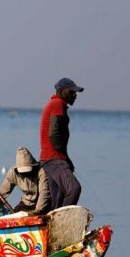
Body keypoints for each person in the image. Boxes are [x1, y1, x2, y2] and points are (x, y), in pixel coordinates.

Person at [40, 77, 83, 209]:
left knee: (57, 201)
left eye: (75, 92)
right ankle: (63, 220)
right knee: (74, 188)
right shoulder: (57, 104)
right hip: (53, 158)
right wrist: (62, 158)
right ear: (60, 91)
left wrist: (66, 159)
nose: (74, 95)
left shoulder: (55, 104)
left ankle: (54, 219)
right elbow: (54, 134)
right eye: (71, 92)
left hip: (49, 159)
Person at [0, 147, 51, 217]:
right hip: (26, 203)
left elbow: (44, 193)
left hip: (41, 204)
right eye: (23, 173)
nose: (25, 174)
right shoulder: (13, 173)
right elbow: (2, 192)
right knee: (14, 217)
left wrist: (37, 211)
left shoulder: (41, 172)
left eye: (27, 172)